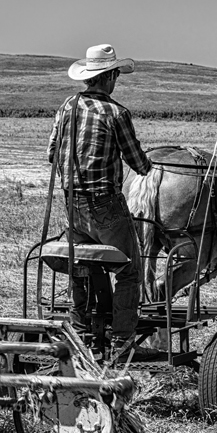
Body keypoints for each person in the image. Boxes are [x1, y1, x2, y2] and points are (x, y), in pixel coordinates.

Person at [48, 44, 152, 351]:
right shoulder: (116, 113)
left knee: (81, 265)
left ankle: (81, 331)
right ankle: (122, 340)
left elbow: (52, 154)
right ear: (108, 77)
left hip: (72, 203)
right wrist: (147, 165)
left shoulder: (67, 107)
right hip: (104, 204)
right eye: (115, 74)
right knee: (129, 270)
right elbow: (137, 160)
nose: (116, 79)